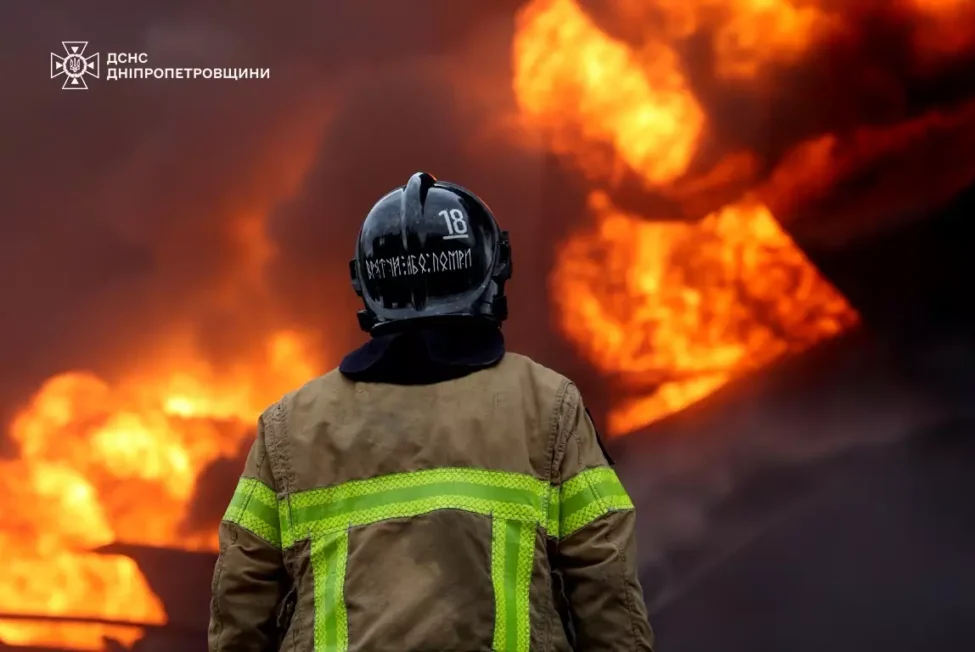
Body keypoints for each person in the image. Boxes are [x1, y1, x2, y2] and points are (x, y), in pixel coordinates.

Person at [208, 172, 655, 651]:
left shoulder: (291, 426)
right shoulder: (548, 405)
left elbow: (241, 598)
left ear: (366, 283)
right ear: (490, 273)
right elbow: (606, 579)